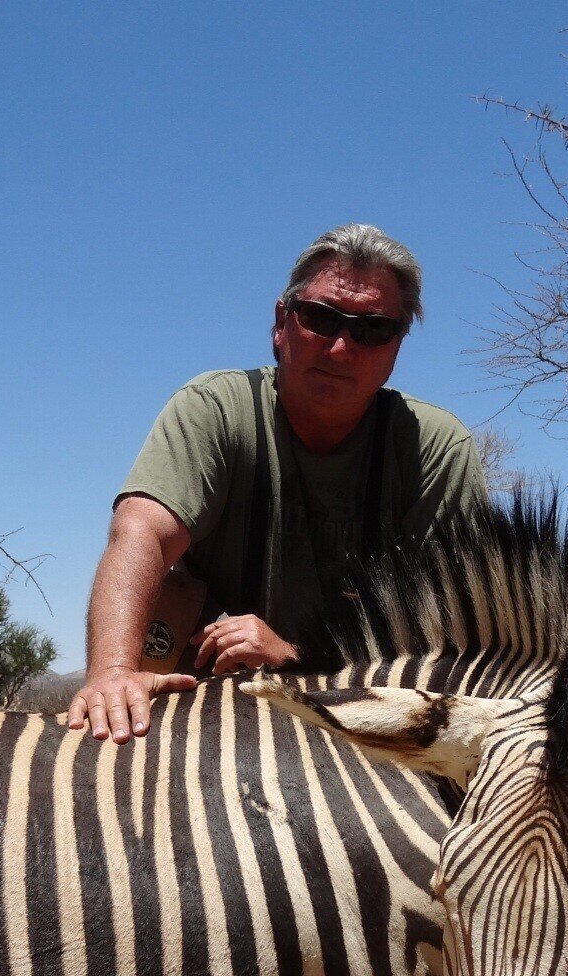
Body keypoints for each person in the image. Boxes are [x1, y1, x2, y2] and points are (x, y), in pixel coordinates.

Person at [67, 223, 489, 743]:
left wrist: (294, 659)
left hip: (360, 719)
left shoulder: (436, 448)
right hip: (206, 708)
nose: (339, 348)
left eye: (372, 330)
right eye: (319, 318)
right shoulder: (215, 408)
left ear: (397, 346)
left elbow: (455, 644)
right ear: (280, 323)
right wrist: (112, 673)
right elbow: (143, 532)